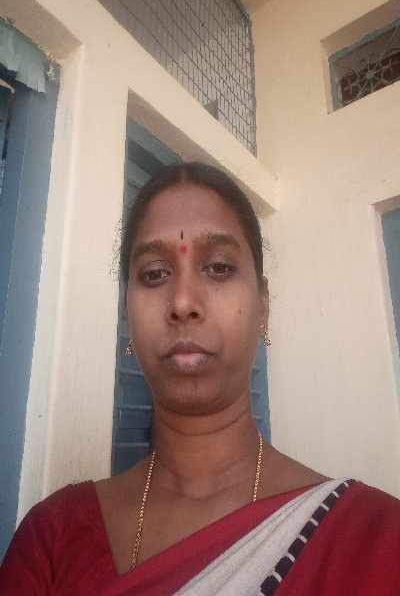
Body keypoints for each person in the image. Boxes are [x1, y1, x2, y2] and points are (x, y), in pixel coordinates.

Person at [1, 162, 399, 595]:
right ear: (127, 315)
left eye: (219, 268)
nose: (182, 303)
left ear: (263, 308)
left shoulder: (376, 539)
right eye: (154, 274)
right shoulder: (52, 539)